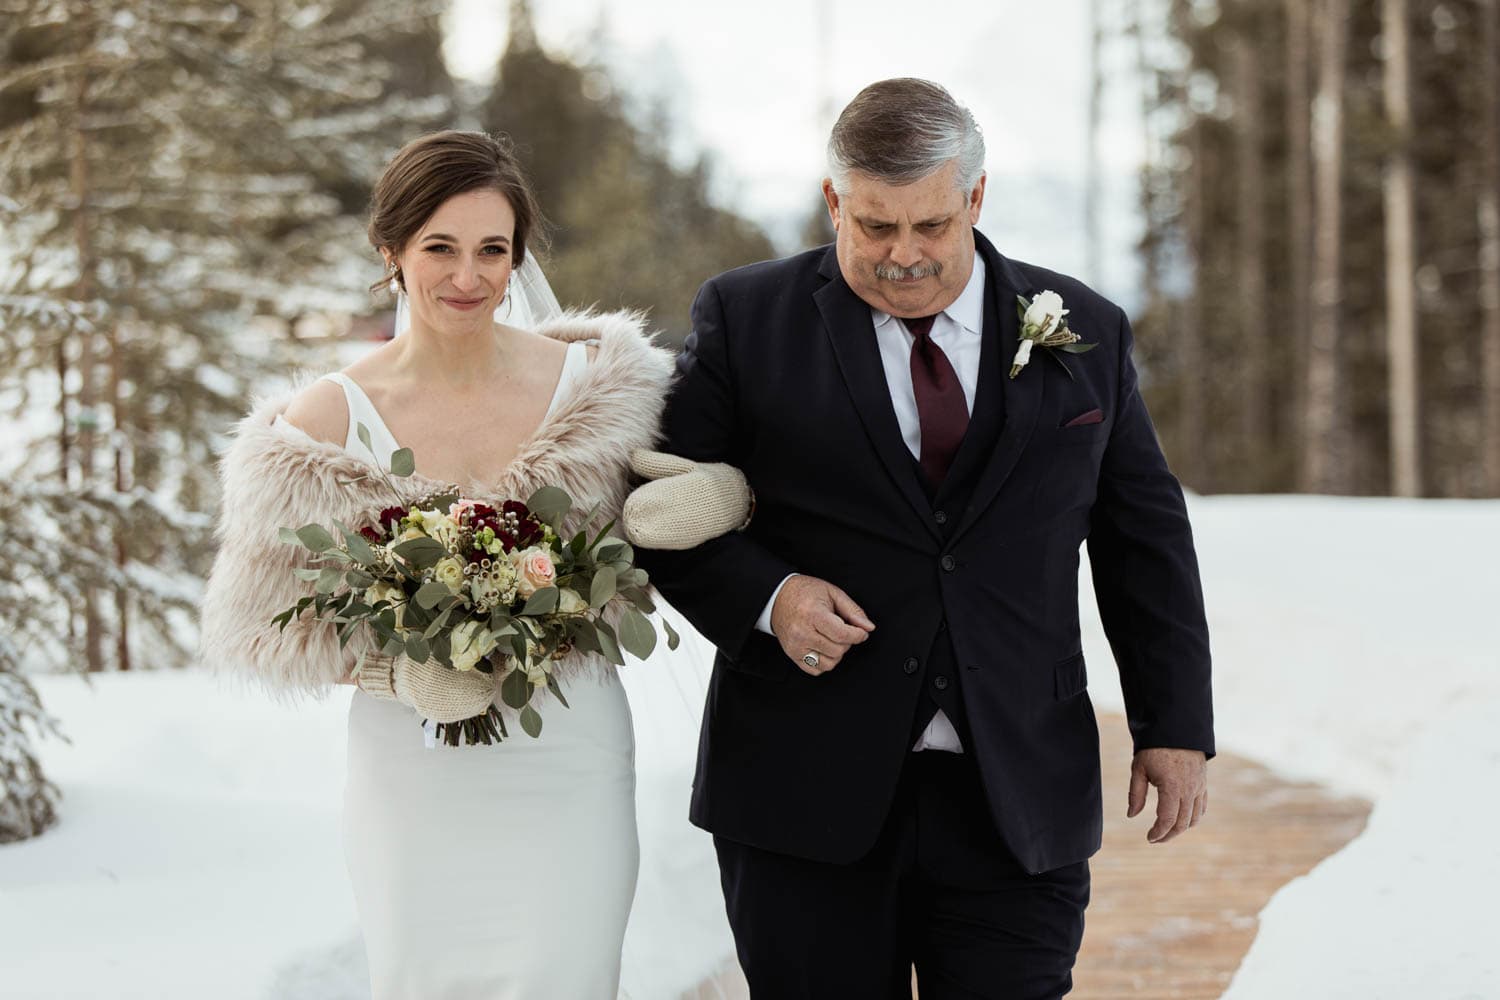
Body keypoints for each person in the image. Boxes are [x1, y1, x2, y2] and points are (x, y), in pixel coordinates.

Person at [626, 78, 1215, 999]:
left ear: (976, 199)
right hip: (802, 792)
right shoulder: (745, 319)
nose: (904, 255)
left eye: (931, 227)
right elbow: (657, 511)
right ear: (834, 202)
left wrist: (1172, 725)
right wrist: (770, 599)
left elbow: (1144, 541)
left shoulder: (1086, 328)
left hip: (1016, 794)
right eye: (874, 227)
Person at [200, 130, 677, 998]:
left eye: (493, 250)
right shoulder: (327, 421)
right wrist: (404, 671)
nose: (469, 277)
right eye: (441, 249)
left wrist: (714, 503)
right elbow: (267, 630)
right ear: (391, 251)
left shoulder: (598, 390)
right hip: (412, 779)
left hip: (568, 752)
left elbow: (657, 536)